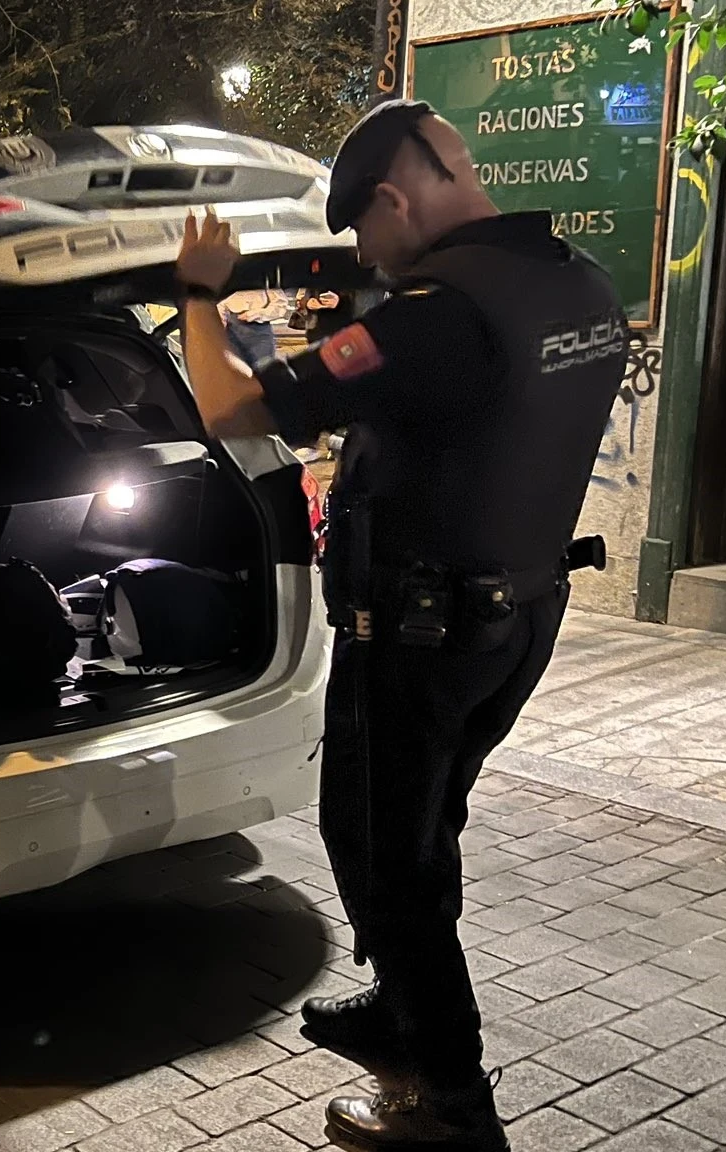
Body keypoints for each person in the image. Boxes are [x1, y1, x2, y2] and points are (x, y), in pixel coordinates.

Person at [171, 100, 624, 1151]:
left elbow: (230, 407)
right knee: (421, 832)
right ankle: (399, 1009)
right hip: (512, 626)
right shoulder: (574, 281)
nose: (360, 251)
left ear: (391, 198)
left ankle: (448, 1100)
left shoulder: (433, 315)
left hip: (418, 637)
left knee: (384, 857)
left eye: (359, 230)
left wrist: (198, 295)